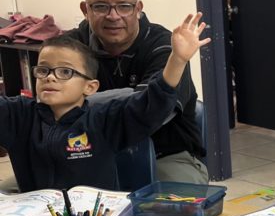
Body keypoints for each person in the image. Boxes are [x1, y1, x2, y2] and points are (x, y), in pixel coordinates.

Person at [0, 16, 209, 192]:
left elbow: (152, 104)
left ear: (90, 87)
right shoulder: (19, 115)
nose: (50, 77)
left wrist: (177, 60)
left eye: (65, 72)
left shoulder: (105, 119)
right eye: (43, 70)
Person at [71, 0, 208, 183]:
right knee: (20, 192)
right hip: (88, 152)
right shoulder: (69, 47)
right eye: (101, 6)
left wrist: (82, 104)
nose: (113, 16)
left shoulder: (169, 47)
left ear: (138, 9)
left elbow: (150, 111)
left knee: (174, 201)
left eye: (124, 6)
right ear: (85, 10)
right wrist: (133, 97)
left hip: (165, 155)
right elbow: (48, 106)